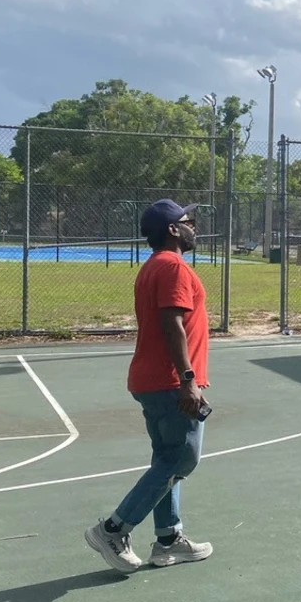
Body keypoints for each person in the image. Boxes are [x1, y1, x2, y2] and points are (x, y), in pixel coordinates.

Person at [84, 199, 215, 573]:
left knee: (166, 461)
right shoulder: (172, 267)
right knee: (181, 459)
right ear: (173, 229)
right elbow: (171, 323)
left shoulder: (153, 266)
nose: (195, 227)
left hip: (153, 380)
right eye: (189, 221)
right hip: (170, 382)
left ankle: (169, 541)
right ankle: (113, 529)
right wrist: (188, 380)